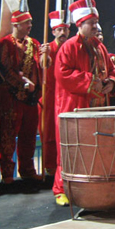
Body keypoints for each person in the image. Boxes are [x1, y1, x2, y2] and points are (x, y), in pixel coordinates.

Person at [54, 0, 115, 206]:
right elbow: (62, 74)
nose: (96, 27)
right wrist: (91, 82)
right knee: (70, 148)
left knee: (93, 148)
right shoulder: (69, 47)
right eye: (91, 23)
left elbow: (112, 71)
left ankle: (90, 186)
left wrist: (112, 83)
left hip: (98, 107)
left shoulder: (100, 47)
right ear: (80, 24)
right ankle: (61, 189)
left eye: (96, 22)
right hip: (74, 106)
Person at [0, 8, 50, 184]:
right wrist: (23, 84)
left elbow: (42, 66)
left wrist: (45, 56)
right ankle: (7, 174)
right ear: (16, 24)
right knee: (8, 135)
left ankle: (27, 170)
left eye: (30, 23)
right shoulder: (5, 44)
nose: (30, 26)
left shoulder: (34, 43)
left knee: (28, 136)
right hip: (11, 97)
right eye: (27, 23)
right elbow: (4, 69)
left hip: (31, 98)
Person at [38, 10, 70, 178]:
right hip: (50, 97)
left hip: (67, 97)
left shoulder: (71, 48)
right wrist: (45, 56)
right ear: (53, 31)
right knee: (50, 133)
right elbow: (43, 65)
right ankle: (50, 168)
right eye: (59, 30)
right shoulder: (47, 49)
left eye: (65, 29)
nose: (63, 33)